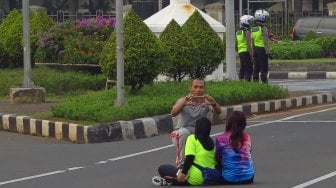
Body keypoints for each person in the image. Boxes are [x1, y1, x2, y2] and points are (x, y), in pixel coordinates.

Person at [170, 78, 222, 168]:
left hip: (199, 134)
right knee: (184, 133)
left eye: (201, 87)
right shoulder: (183, 100)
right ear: (190, 88)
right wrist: (183, 104)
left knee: (211, 148)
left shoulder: (206, 101)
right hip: (181, 133)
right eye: (196, 87)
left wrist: (213, 103)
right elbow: (173, 113)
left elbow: (219, 111)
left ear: (204, 89)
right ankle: (181, 164)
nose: (198, 90)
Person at [152, 117, 218, 186]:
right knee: (180, 167)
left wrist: (183, 173)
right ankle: (174, 180)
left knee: (163, 168)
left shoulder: (192, 138)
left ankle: (174, 181)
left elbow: (190, 157)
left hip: (196, 178)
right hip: (209, 177)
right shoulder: (211, 141)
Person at [215, 111, 255, 185]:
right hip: (248, 177)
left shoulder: (220, 138)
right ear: (244, 124)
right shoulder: (247, 137)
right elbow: (248, 153)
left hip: (229, 179)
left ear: (229, 123)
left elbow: (218, 158)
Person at [251, 9, 271, 83]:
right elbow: (265, 41)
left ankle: (255, 85)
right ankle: (265, 85)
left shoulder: (253, 28)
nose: (266, 19)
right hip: (262, 50)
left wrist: (253, 52)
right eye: (265, 17)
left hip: (255, 49)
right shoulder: (263, 27)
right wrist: (268, 52)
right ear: (262, 17)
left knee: (256, 68)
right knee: (263, 68)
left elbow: (252, 41)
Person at [236, 15, 255, 82]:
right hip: (246, 52)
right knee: (249, 68)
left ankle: (241, 81)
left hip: (241, 51)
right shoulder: (246, 31)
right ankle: (247, 82)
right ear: (246, 22)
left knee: (242, 67)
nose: (250, 23)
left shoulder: (238, 31)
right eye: (249, 21)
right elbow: (249, 44)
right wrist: (252, 55)